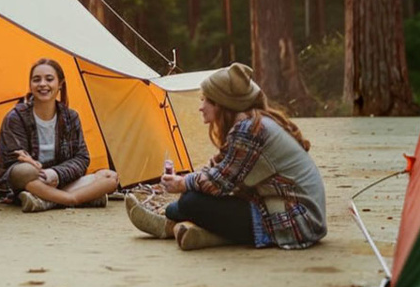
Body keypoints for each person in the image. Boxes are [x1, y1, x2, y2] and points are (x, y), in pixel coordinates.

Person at [127, 63, 327, 251]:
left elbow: (218, 184)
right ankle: (193, 231)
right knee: (193, 197)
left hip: (298, 222)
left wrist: (182, 184)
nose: (200, 107)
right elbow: (219, 170)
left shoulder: (250, 130)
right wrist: (189, 182)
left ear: (221, 104)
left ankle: (169, 223)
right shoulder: (251, 123)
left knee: (190, 202)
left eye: (205, 100)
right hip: (293, 212)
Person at [0, 58, 118, 212]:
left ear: (60, 84)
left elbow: (82, 158)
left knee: (110, 177)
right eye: (36, 80)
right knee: (26, 171)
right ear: (31, 85)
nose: (43, 84)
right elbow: (12, 161)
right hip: (28, 183)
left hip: (57, 181)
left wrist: (54, 174)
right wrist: (35, 166)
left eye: (49, 79)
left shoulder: (70, 117)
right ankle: (72, 199)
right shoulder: (16, 116)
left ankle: (45, 201)